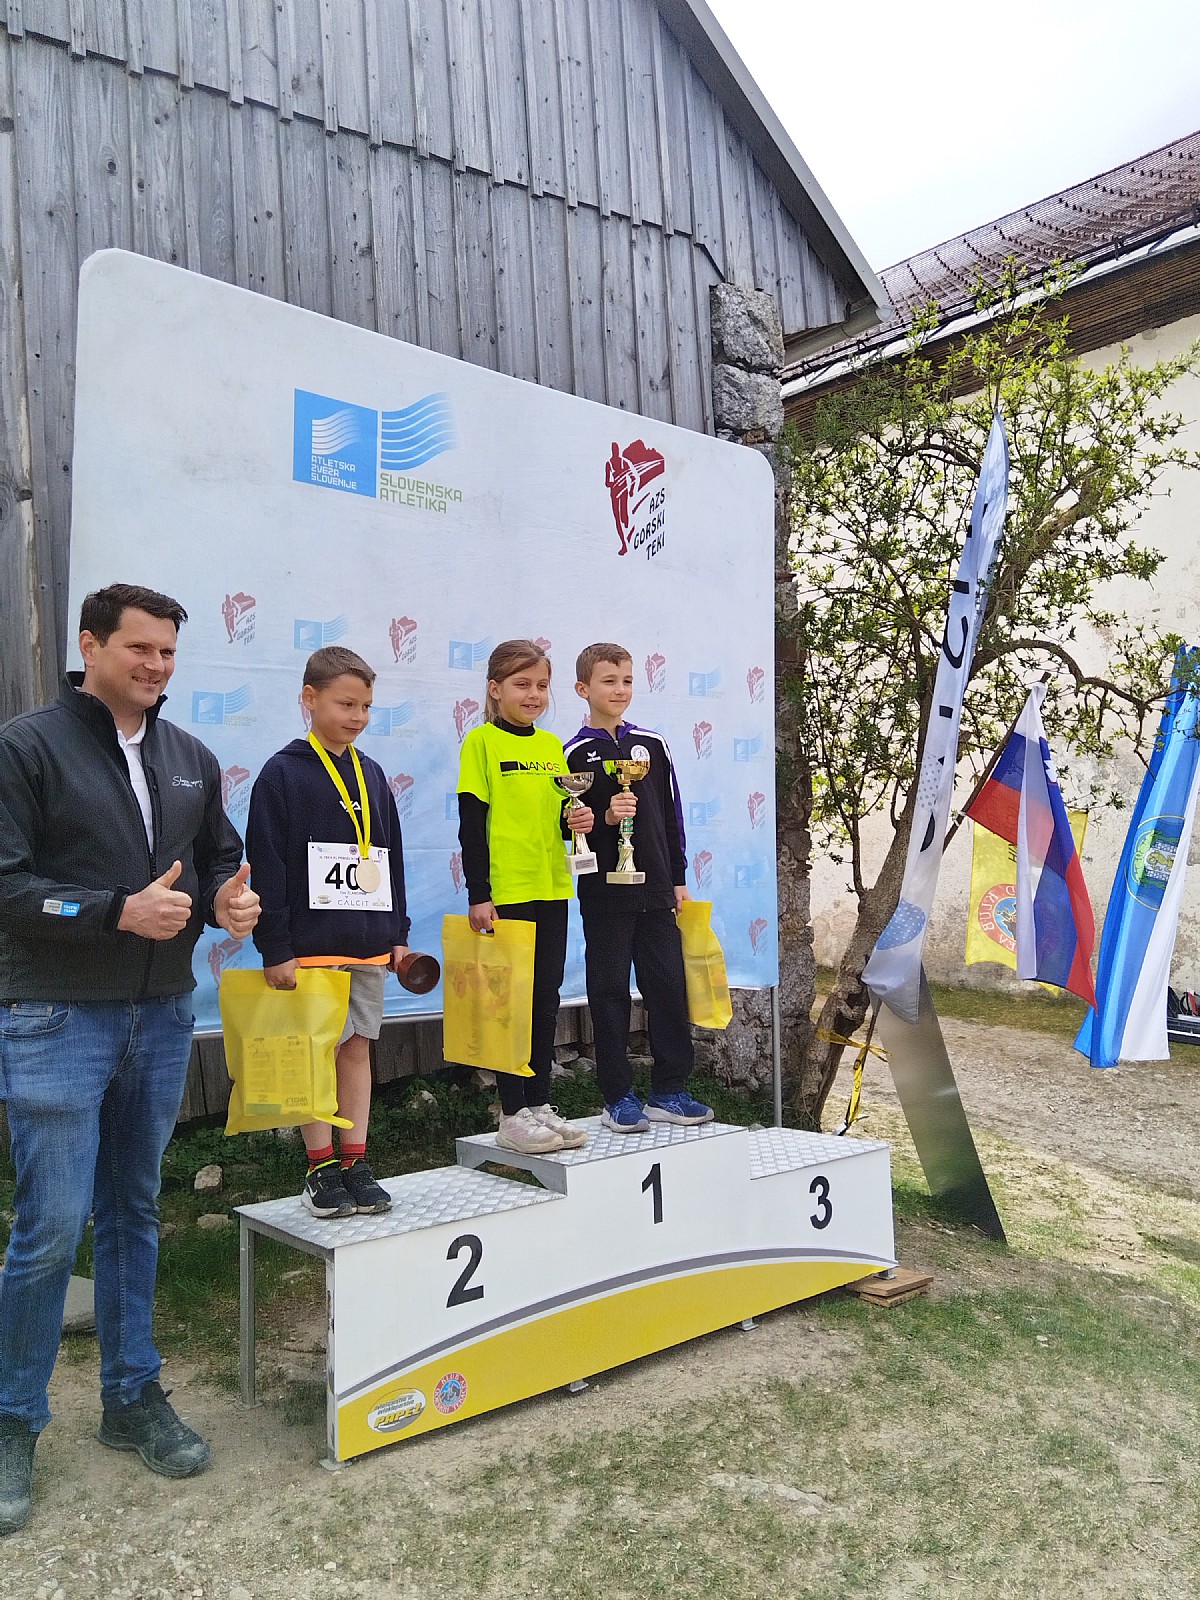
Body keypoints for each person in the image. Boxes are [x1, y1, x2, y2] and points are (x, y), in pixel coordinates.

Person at [0, 583, 261, 1536]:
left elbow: (221, 858)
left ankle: (130, 1397)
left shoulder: (190, 756)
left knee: (133, 1211)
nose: (156, 666)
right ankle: (13, 1422)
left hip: (159, 1016)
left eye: (168, 653)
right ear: (90, 645)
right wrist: (117, 910)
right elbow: (7, 888)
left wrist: (230, 899)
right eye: (139, 649)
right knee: (49, 1227)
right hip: (56, 1015)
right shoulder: (26, 747)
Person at [245, 646, 410, 1219]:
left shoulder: (373, 774)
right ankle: (320, 1167)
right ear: (309, 699)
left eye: (365, 706)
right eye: (346, 704)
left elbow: (391, 857)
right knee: (315, 1054)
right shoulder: (282, 773)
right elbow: (267, 865)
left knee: (357, 1047)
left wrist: (397, 932)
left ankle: (355, 1160)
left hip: (367, 941)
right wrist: (276, 946)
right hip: (310, 947)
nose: (357, 716)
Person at [564, 643, 713, 1131]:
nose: (620, 690)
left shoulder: (652, 744)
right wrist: (604, 818)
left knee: (668, 986)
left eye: (626, 680)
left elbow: (671, 814)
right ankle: (617, 1095)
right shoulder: (572, 753)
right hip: (604, 891)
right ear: (583, 688)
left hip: (655, 888)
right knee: (608, 991)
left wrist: (678, 878)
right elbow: (567, 827)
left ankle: (669, 1090)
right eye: (608, 681)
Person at [457, 640, 593, 1154]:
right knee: (510, 1005)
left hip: (551, 887)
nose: (533, 694)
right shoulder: (481, 743)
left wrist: (575, 821)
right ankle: (512, 1113)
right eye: (521, 684)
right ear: (495, 689)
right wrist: (480, 894)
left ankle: (538, 1103)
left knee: (545, 999)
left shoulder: (552, 746)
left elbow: (558, 819)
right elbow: (472, 826)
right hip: (506, 893)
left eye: (541, 685)